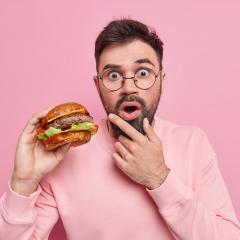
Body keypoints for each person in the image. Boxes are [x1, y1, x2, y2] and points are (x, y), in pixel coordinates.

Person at [0, 19, 239, 240]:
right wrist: (22, 183)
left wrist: (160, 179)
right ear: (97, 85)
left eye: (143, 73)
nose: (128, 87)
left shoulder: (193, 142)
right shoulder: (65, 153)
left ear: (162, 80)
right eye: (113, 75)